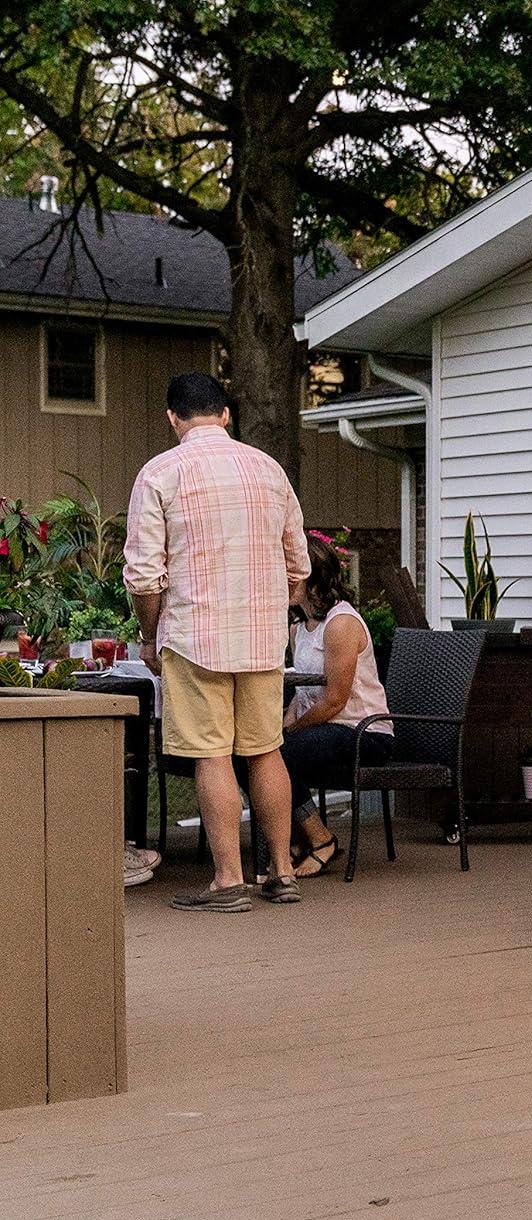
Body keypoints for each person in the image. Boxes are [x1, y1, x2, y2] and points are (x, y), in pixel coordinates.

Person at [123, 371, 309, 911]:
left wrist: (150, 635)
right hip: (261, 639)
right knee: (265, 750)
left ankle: (228, 881)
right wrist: (274, 610)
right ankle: (280, 871)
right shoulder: (268, 470)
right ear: (225, 413)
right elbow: (298, 564)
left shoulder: (160, 473)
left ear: (173, 418)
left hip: (195, 636)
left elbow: (143, 576)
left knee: (211, 756)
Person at [280, 534, 393, 877]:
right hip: (324, 729)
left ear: (313, 579)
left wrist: (294, 729)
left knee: (277, 754)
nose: (280, 579)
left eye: (289, 572)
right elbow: (302, 692)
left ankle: (321, 840)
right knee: (253, 752)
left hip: (362, 732)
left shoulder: (341, 623)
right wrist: (284, 724)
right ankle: (300, 837)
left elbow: (334, 700)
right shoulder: (300, 627)